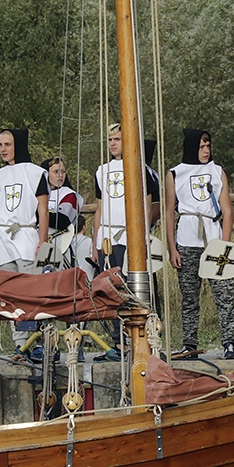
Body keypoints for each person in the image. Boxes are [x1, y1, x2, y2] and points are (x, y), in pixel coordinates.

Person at [165, 129, 234, 360]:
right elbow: (168, 212)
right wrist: (172, 247)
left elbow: (227, 210)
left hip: (214, 239)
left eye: (208, 146)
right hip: (187, 239)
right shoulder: (175, 173)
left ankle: (229, 341)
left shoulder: (217, 172)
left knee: (224, 293)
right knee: (189, 296)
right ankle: (189, 344)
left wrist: (225, 244)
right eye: (201, 146)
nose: (206, 151)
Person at [91, 123, 159, 362]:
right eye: (110, 139)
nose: (113, 143)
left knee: (133, 289)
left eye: (117, 139)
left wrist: (143, 237)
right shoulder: (101, 170)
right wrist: (95, 241)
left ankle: (140, 340)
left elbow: (147, 205)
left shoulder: (140, 168)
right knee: (110, 291)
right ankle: (118, 343)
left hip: (130, 237)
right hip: (108, 237)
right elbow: (99, 207)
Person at [0, 129, 49, 355]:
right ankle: (20, 344)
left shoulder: (35, 173)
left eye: (7, 144)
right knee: (10, 295)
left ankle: (36, 341)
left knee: (30, 292)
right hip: (3, 241)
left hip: (27, 237)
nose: (2, 149)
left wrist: (43, 240)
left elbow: (42, 208)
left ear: (17, 145)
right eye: (0, 144)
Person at [41, 156, 83, 269]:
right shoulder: (38, 195)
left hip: (61, 247)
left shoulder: (68, 195)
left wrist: (39, 215)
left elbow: (62, 220)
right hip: (39, 245)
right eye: (55, 172)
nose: (60, 175)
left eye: (63, 172)